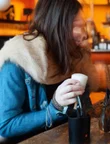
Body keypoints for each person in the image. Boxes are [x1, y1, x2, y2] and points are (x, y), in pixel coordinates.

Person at [0, 0, 98, 142]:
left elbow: (81, 111)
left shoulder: (72, 55)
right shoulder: (19, 58)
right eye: (76, 26)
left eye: (83, 26)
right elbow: (5, 125)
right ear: (56, 24)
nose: (83, 34)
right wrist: (54, 108)